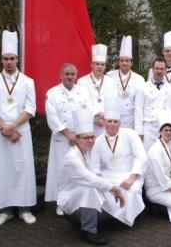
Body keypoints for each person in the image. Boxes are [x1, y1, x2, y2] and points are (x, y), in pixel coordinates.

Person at [0, 30, 37, 225]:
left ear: (17, 59)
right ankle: (4, 210)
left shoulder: (27, 82)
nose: (9, 62)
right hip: (1, 134)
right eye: (6, 59)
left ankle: (24, 208)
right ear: (1, 60)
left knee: (22, 168)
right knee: (2, 169)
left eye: (12, 58)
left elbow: (30, 108)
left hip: (21, 131)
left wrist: (12, 127)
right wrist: (4, 129)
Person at [57, 109, 125, 246]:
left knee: (107, 205)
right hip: (69, 199)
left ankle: (81, 220)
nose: (91, 141)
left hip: (78, 196)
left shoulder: (85, 152)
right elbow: (88, 178)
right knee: (90, 188)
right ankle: (88, 231)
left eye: (93, 137)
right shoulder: (72, 158)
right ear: (77, 139)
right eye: (86, 138)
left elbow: (94, 173)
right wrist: (115, 189)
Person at [44, 63, 93, 216]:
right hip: (62, 139)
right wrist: (67, 134)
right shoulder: (52, 93)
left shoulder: (83, 92)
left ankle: (78, 200)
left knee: (80, 170)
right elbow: (52, 117)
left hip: (80, 138)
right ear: (61, 75)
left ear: (76, 75)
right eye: (67, 74)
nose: (70, 77)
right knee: (62, 171)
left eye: (73, 74)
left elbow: (88, 111)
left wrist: (79, 135)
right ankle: (61, 202)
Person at [90, 96, 147, 226]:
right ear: (103, 122)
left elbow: (141, 157)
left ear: (120, 123)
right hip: (109, 174)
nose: (112, 124)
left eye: (115, 121)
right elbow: (94, 165)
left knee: (130, 191)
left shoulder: (130, 134)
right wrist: (100, 180)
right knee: (99, 189)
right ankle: (112, 216)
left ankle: (125, 218)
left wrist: (131, 179)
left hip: (130, 174)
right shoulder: (98, 141)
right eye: (109, 121)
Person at [78, 44, 118, 137]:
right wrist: (96, 115)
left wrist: (106, 117)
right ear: (91, 65)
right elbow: (81, 104)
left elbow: (113, 102)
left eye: (102, 64)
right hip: (89, 123)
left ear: (105, 66)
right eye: (97, 64)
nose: (100, 67)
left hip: (106, 123)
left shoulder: (111, 82)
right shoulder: (82, 81)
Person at [106, 36, 145, 129]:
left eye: (127, 61)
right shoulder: (109, 76)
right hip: (114, 119)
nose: (124, 63)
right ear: (118, 62)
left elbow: (140, 105)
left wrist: (139, 127)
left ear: (131, 63)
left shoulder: (139, 79)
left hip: (131, 121)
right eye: (122, 60)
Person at [135, 58, 171, 151]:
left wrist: (170, 129)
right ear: (152, 69)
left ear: (165, 70)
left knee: (164, 156)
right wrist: (139, 131)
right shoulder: (142, 87)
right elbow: (138, 110)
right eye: (157, 68)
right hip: (148, 128)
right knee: (148, 155)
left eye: (162, 69)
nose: (159, 71)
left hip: (164, 128)